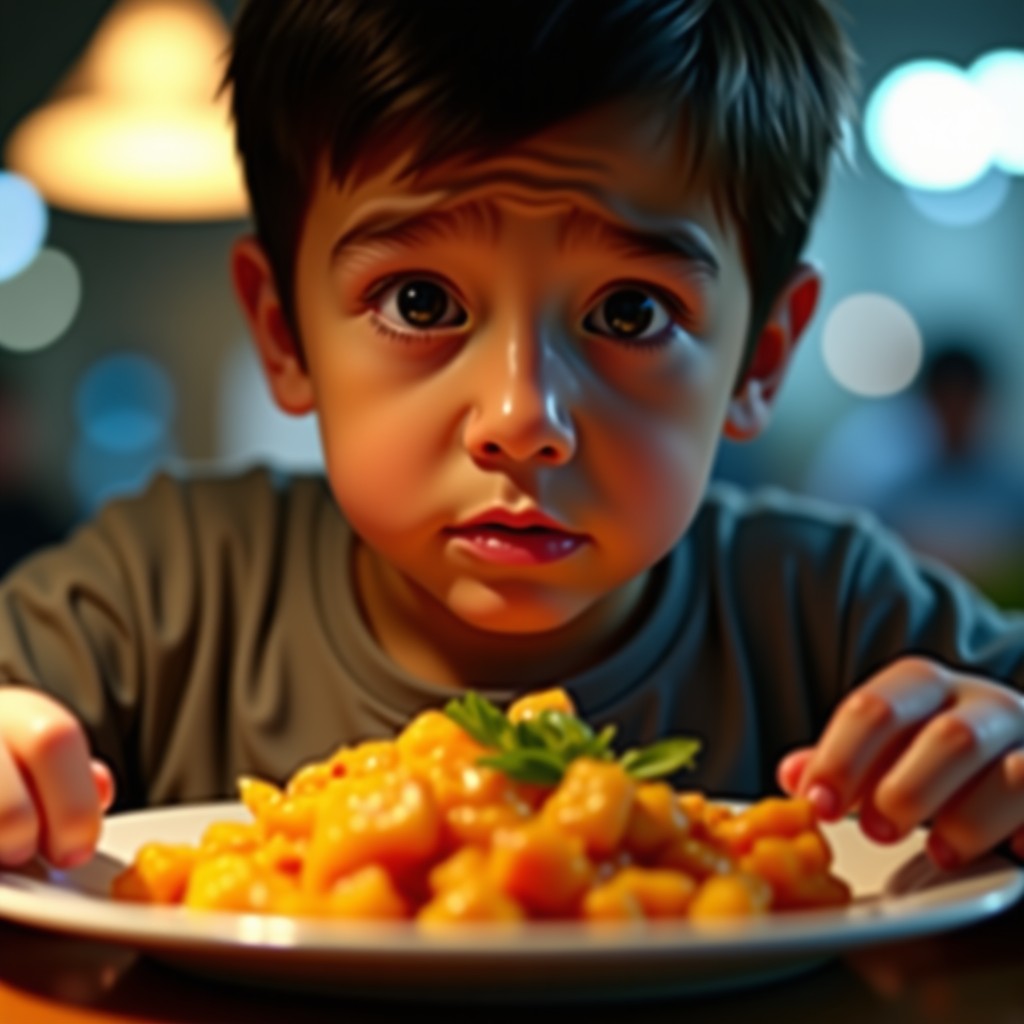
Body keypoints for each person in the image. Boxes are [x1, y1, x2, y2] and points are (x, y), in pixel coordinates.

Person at [1, 0, 1022, 884]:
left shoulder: (836, 612)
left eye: (629, 313)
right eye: (419, 299)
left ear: (759, 357)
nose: (521, 419)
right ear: (284, 333)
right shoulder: (160, 596)